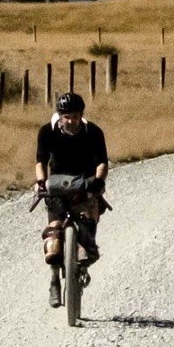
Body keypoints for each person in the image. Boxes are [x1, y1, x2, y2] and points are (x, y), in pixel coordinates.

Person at [35, 93, 109, 290]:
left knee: (89, 220)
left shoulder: (93, 132)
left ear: (81, 115)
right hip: (58, 184)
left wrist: (99, 181)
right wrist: (41, 183)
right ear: (60, 116)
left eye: (74, 116)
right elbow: (40, 161)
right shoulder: (47, 132)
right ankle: (54, 279)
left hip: (85, 183)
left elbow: (102, 161)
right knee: (54, 235)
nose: (71, 120)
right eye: (66, 116)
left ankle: (85, 255)